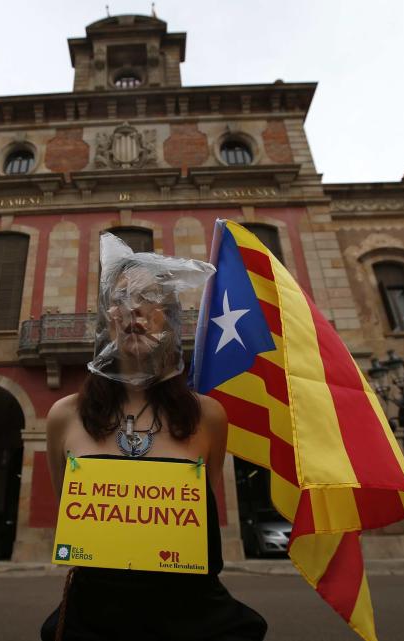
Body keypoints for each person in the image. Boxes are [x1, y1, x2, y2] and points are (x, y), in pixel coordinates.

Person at [40, 234, 267, 641]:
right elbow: (68, 509)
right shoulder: (65, 415)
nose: (134, 311)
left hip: (193, 621)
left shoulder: (207, 416)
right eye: (121, 299)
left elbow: (202, 507)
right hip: (93, 623)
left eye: (150, 299)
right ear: (106, 317)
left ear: (170, 318)